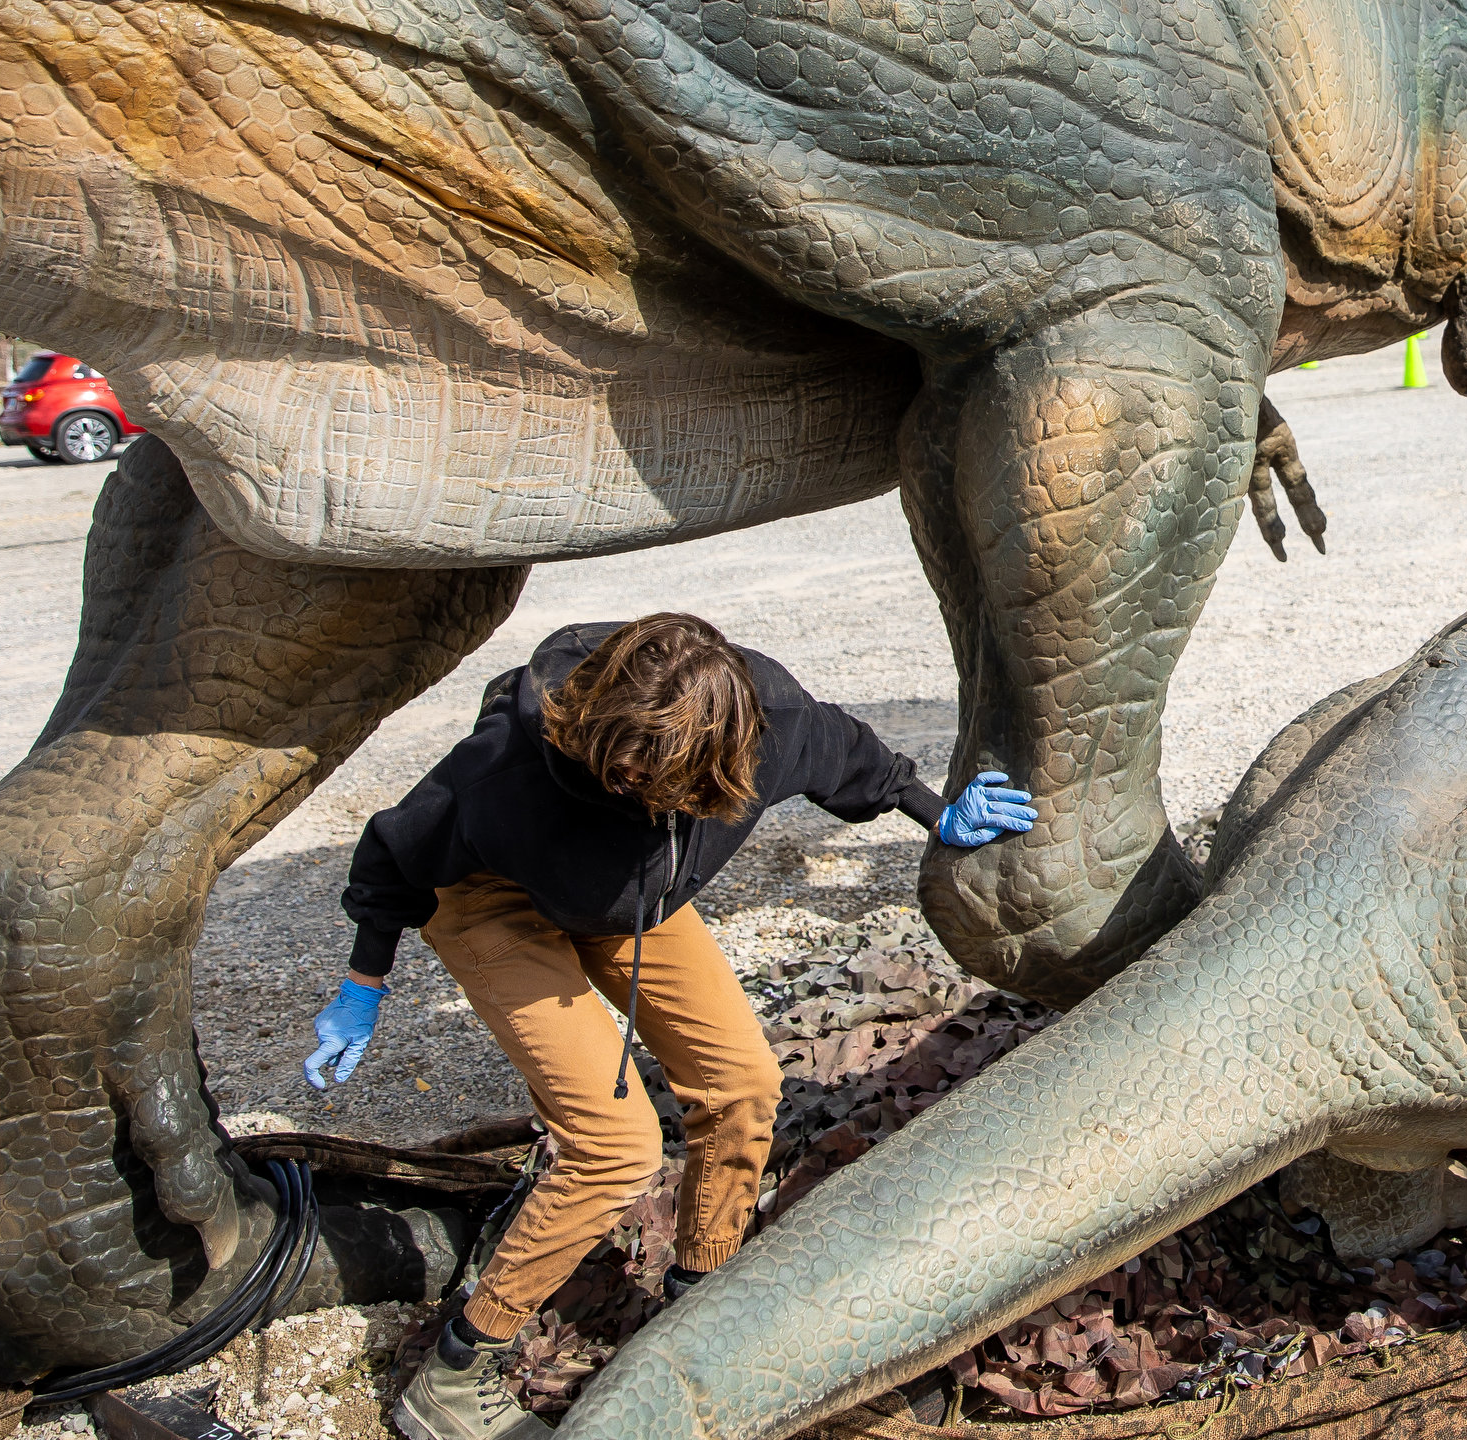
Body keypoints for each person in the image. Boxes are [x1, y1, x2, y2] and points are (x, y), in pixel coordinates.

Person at [307, 613, 1035, 1440]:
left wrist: (934, 811)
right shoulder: (514, 765)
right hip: (493, 901)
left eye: (648, 783)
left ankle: (698, 1300)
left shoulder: (773, 727)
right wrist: (364, 980)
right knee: (614, 1149)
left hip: (633, 904)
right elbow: (394, 850)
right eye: (617, 772)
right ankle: (459, 1368)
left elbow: (855, 755)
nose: (624, 784)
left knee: (746, 1087)